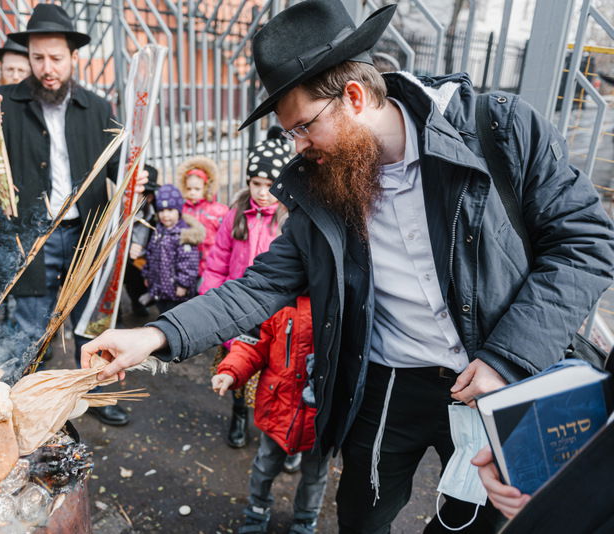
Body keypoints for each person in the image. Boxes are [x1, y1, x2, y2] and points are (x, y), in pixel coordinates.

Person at [80, 1, 614, 532]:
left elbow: (585, 244)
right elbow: (260, 284)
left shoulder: (498, 128)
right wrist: (152, 336)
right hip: (386, 383)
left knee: (480, 519)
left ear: (354, 97)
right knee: (361, 515)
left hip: (495, 378)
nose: (300, 147)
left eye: (304, 127)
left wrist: (509, 356)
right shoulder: (326, 185)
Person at [0, 3, 146, 426]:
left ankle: (96, 393)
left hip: (86, 233)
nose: (47, 68)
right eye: (38, 58)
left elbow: (123, 167)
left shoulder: (97, 107)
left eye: (56, 58)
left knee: (93, 321)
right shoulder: (2, 102)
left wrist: (141, 175)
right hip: (31, 240)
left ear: (73, 58)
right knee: (31, 328)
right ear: (28, 58)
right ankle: (31, 403)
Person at [200, 133, 291, 449]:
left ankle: (275, 425)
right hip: (236, 311)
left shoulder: (289, 220)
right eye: (256, 184)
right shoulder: (236, 214)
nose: (263, 193)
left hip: (276, 315)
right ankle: (239, 415)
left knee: (273, 375)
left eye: (270, 185)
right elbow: (217, 264)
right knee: (236, 370)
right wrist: (212, 309)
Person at [212, 295, 328, 534]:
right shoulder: (277, 299)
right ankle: (257, 510)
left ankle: (306, 519)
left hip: (320, 417)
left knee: (315, 474)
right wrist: (232, 371)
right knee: (265, 465)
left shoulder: (340, 301)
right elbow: (252, 343)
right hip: (278, 409)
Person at [142, 184, 203, 314]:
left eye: (170, 210)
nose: (165, 215)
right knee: (162, 313)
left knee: (177, 316)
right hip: (159, 287)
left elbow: (189, 263)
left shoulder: (183, 234)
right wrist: (147, 274)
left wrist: (183, 285)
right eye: (161, 211)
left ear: (179, 211)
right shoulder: (158, 230)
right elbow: (150, 254)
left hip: (177, 291)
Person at [177, 155, 228, 275]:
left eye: (197, 189)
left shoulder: (218, 211)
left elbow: (225, 237)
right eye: (189, 189)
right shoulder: (183, 210)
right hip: (187, 262)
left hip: (210, 262)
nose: (192, 193)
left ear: (205, 188)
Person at [124, 164, 159, 317]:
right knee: (130, 282)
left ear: (149, 197)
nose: (129, 196)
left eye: (136, 193)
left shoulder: (156, 215)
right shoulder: (123, 213)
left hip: (147, 259)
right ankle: (134, 305)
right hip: (128, 260)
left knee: (142, 284)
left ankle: (142, 302)